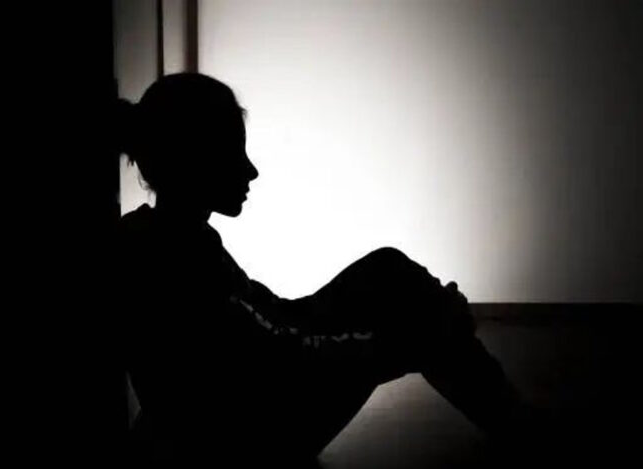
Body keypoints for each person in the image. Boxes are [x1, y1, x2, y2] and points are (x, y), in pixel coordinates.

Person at [119, 73, 529, 467]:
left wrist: (413, 331)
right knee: (408, 300)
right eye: (234, 153)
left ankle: (512, 417)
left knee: (387, 271)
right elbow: (280, 357)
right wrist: (408, 341)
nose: (251, 170)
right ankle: (524, 431)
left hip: (230, 419)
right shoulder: (173, 255)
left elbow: (268, 322)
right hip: (238, 444)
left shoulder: (169, 237)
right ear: (195, 159)